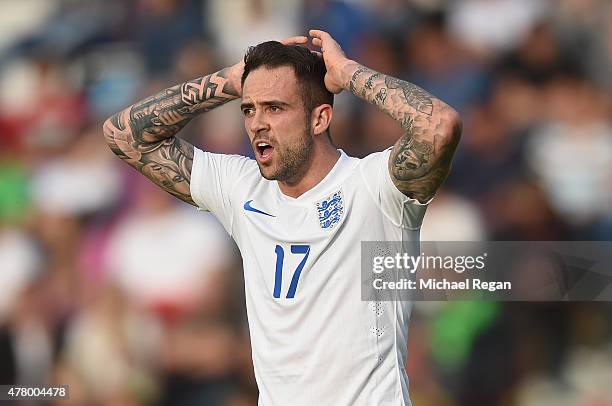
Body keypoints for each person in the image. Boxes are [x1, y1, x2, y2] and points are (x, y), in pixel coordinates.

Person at [103, 30, 461, 406]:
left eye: (274, 108)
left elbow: (440, 126)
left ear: (320, 118)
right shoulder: (242, 188)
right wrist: (228, 81)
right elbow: (123, 135)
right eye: (248, 109)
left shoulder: (373, 188)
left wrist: (347, 73)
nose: (257, 123)